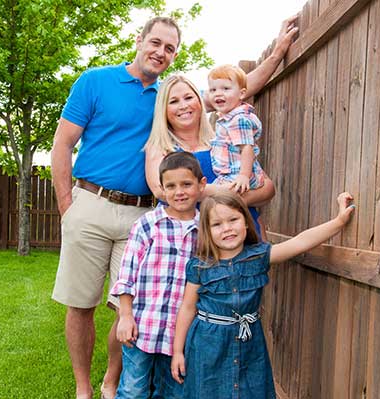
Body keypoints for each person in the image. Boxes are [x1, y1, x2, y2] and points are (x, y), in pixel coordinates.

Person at [51, 14, 299, 399]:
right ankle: (89, 389)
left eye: (169, 48)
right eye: (156, 43)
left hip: (177, 225)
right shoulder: (101, 85)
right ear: (139, 40)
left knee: (144, 308)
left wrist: (281, 50)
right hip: (99, 205)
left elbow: (237, 90)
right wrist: (69, 207)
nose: (161, 52)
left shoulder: (199, 119)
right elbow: (65, 144)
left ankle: (120, 381)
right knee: (86, 303)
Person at [170, 191, 356, 398]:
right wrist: (178, 352)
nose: (227, 228)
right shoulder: (199, 266)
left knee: (252, 390)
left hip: (250, 342)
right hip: (208, 345)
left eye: (233, 219)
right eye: (217, 224)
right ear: (207, 230)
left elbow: (301, 242)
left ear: (246, 223)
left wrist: (338, 222)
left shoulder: (259, 256)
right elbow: (187, 308)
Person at [110, 151, 205, 398]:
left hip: (180, 333)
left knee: (174, 391)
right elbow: (127, 272)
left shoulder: (205, 229)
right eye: (171, 186)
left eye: (186, 184)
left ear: (201, 185)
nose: (179, 192)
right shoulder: (148, 224)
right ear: (161, 190)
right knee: (133, 390)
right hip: (142, 327)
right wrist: (126, 316)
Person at [144, 74, 272, 239]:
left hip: (239, 234)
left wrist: (239, 199)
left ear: (200, 102)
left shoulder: (222, 141)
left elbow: (267, 187)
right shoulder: (160, 148)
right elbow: (161, 191)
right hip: (189, 236)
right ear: (164, 109)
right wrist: (228, 195)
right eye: (174, 101)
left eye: (188, 98)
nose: (183, 105)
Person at [207, 64, 265, 193]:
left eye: (226, 88)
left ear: (242, 93)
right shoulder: (228, 118)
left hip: (237, 176)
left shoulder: (238, 119)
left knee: (208, 193)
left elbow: (246, 148)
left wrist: (244, 175)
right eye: (213, 90)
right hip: (230, 174)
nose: (218, 94)